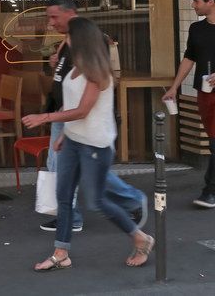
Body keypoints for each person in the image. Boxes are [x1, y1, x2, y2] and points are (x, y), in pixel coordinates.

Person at [23, 17, 154, 271]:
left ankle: (141, 238)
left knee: (98, 201)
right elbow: (70, 105)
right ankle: (61, 253)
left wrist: (46, 117)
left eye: (68, 36)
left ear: (81, 39)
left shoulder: (97, 73)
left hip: (95, 144)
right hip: (73, 140)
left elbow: (83, 110)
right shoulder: (74, 68)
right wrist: (63, 135)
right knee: (63, 197)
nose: (64, 40)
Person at [163, 0, 215, 208]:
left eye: (197, 1)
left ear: (210, 2)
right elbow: (189, 58)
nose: (193, 5)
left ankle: (209, 191)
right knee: (213, 143)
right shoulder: (196, 29)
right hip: (204, 93)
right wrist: (175, 86)